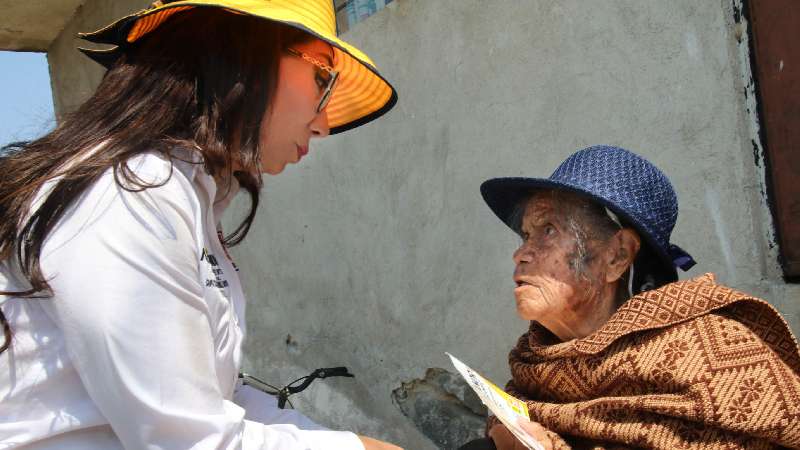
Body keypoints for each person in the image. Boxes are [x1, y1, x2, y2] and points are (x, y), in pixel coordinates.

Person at [0, 1, 401, 449]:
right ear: (243, 55)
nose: (323, 126)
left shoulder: (186, 194)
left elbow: (218, 399)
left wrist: (353, 444)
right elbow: (185, 440)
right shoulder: (132, 194)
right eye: (322, 80)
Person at [460, 145, 800, 449]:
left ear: (617, 256)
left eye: (548, 230)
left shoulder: (714, 357)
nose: (520, 253)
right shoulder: (534, 372)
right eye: (526, 234)